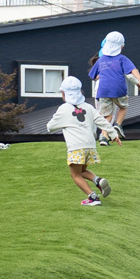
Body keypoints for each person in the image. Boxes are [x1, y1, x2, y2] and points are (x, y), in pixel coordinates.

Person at [47, 74, 110, 207]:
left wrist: (64, 123)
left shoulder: (64, 109)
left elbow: (50, 127)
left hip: (76, 147)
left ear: (64, 93)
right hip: (90, 146)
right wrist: (113, 133)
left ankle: (93, 197)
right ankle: (98, 180)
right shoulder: (88, 106)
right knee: (82, 171)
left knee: (75, 175)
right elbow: (100, 120)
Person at [87, 30, 140, 139]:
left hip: (103, 91)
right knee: (123, 107)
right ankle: (118, 125)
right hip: (119, 90)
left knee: (107, 115)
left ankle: (103, 136)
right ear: (121, 47)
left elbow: (93, 76)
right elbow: (132, 70)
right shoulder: (122, 59)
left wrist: (102, 74)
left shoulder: (101, 60)